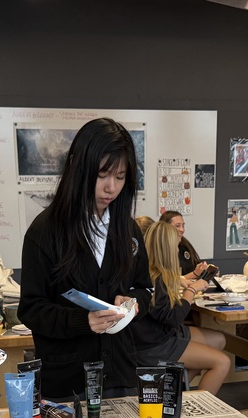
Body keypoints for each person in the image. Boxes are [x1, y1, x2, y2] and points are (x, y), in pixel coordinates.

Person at [18, 118, 152, 400]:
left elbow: (145, 288)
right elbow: (31, 309)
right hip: (68, 382)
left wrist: (133, 301)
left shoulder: (128, 229)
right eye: (102, 175)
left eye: (120, 177)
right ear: (80, 169)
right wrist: (83, 321)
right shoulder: (44, 232)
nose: (111, 188)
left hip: (120, 375)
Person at [132, 222, 230, 394]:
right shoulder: (155, 279)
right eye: (175, 245)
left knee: (219, 340)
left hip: (162, 334)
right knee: (223, 362)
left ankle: (177, 387)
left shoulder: (154, 273)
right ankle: (198, 413)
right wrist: (191, 291)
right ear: (167, 249)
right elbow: (173, 317)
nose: (178, 250)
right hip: (154, 346)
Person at [159, 210, 207, 279]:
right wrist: (194, 274)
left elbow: (195, 264)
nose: (182, 229)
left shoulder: (184, 244)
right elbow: (169, 280)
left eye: (183, 226)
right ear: (166, 227)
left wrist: (205, 270)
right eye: (177, 226)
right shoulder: (160, 250)